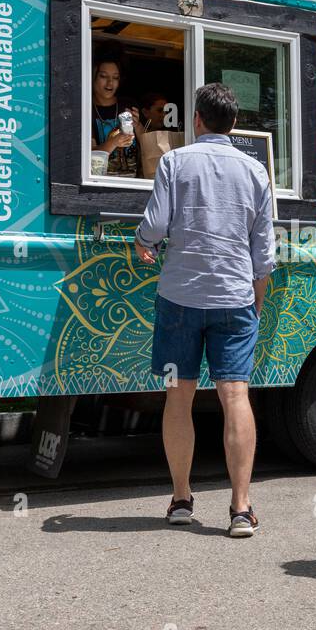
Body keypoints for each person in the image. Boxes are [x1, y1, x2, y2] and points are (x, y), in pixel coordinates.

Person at [135, 83, 275, 537]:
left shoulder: (176, 161)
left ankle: (180, 499)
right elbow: (264, 254)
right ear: (233, 125)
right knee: (235, 396)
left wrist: (144, 243)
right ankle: (240, 508)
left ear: (196, 119)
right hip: (234, 301)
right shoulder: (255, 171)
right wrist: (254, 302)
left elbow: (155, 225)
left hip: (179, 300)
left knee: (179, 394)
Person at [90, 56, 140, 177]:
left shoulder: (127, 104)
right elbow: (89, 155)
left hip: (134, 182)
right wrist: (114, 142)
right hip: (101, 184)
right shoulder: (86, 109)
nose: (110, 83)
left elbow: (146, 144)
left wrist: (138, 126)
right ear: (92, 76)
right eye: (103, 76)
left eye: (115, 77)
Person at [135, 91, 177, 179]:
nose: (164, 115)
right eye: (160, 110)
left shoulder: (170, 135)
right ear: (145, 112)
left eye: (166, 111)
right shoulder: (135, 133)